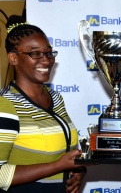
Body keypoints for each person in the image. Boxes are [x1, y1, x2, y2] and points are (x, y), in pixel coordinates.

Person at [0, 15, 87, 193]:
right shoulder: (6, 105)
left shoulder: (55, 98)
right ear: (13, 58)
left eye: (48, 52)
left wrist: (78, 170)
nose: (46, 60)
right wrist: (57, 166)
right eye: (35, 53)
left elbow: (67, 151)